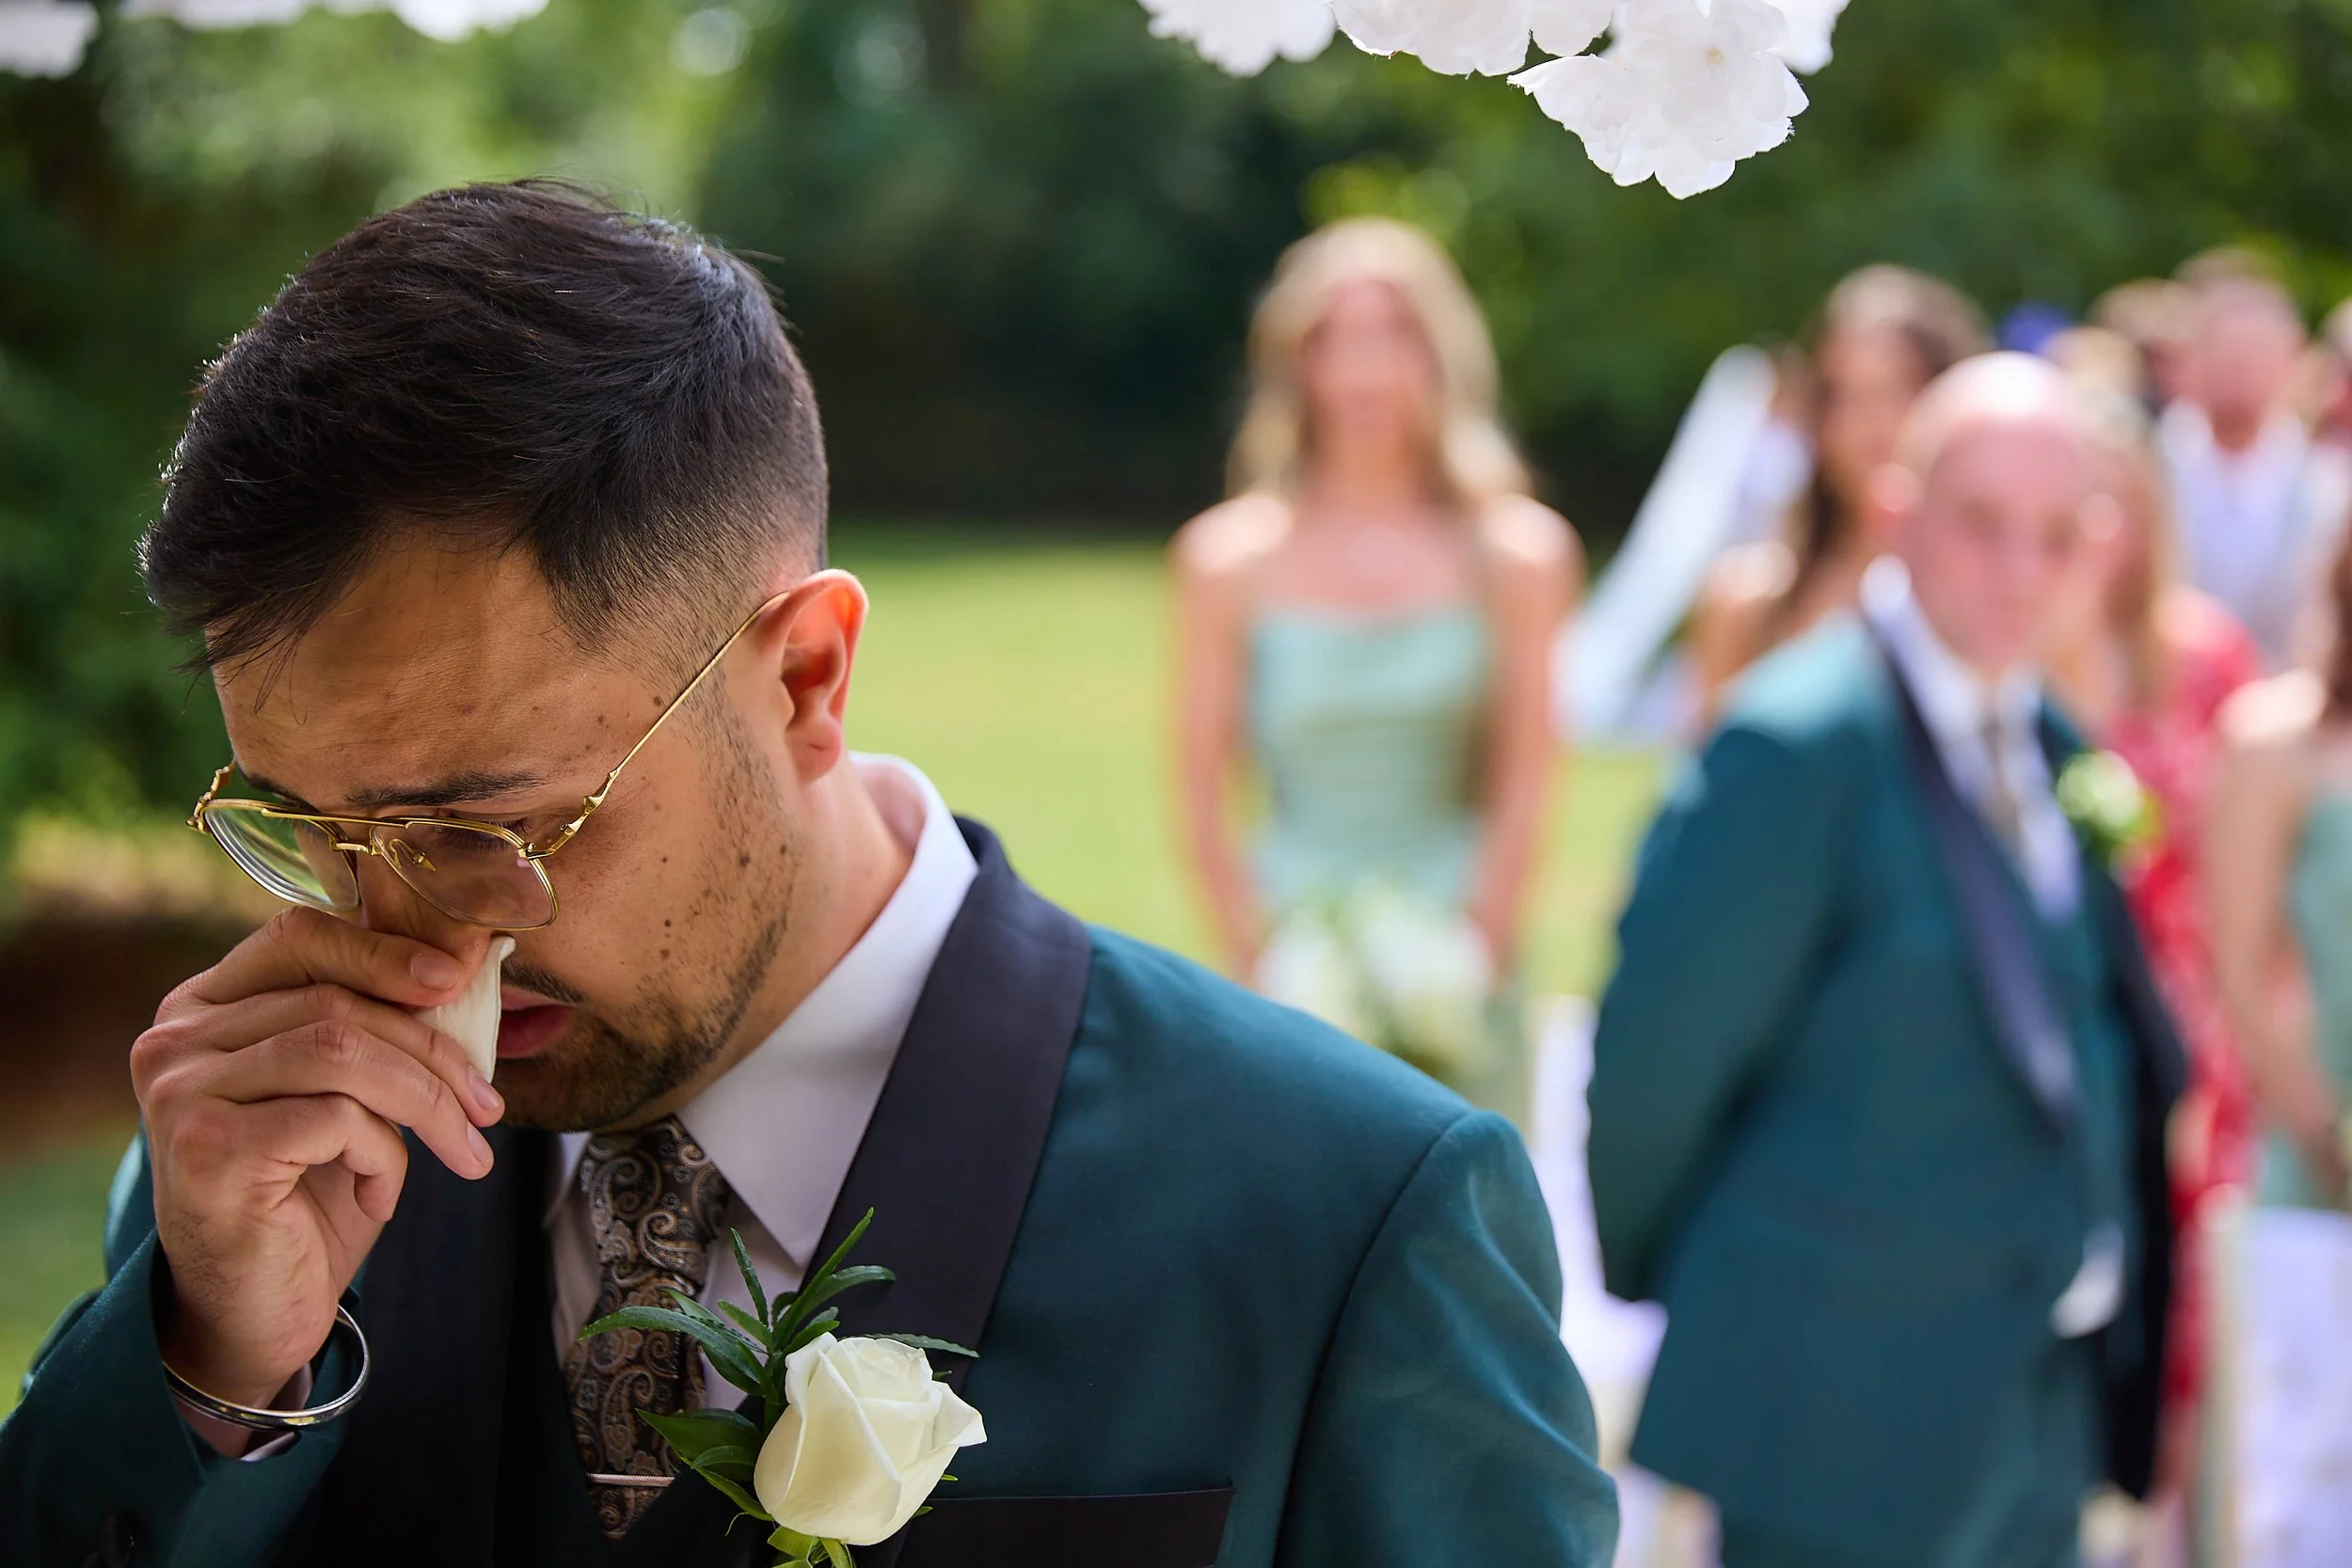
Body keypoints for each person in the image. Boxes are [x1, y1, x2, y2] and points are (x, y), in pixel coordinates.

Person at [0, 184, 1618, 1568]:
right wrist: (204, 1370)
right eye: (311, 832)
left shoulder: (1352, 1221)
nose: (413, 943)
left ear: (804, 678)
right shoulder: (246, 1181)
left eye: (489, 828)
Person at [1590, 354, 2186, 1568]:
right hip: (1836, 1413)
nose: (2023, 569)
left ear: (2105, 544)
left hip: (2037, 1407)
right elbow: (1656, 1067)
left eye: (2060, 533)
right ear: (1896, 509)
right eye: (1982, 523)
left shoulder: (2052, 734)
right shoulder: (1798, 741)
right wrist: (1724, 1289)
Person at [1171, 218, 1579, 1126]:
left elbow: (1528, 776)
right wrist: (1263, 961)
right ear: (1297, 366)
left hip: (1464, 947)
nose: (1366, 370)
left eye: (1394, 336)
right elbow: (1200, 794)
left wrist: (1477, 948)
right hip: (1291, 953)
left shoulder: (1518, 554)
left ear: (1441, 358)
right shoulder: (1225, 559)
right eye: (1336, 341)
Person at [2044, 388, 2263, 1534]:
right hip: (2035, 1028)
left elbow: (2240, 885)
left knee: (2175, 1335)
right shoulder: (2009, 659)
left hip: (2178, 1035)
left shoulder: (2204, 659)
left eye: (2111, 506)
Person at [2203, 541, 2352, 1566]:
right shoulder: (2278, 742)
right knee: (2310, 1490)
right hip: (2318, 1182)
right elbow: (2238, 961)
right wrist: (2322, 1125)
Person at [1688, 264, 1988, 726]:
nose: (1873, 425)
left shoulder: (2010, 596)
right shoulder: (1750, 599)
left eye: (1900, 391)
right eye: (1844, 396)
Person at [2159, 258, 2351, 669]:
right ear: (2194, 357)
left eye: (2256, 353)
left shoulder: (2331, 487)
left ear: (2291, 357)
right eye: (2226, 352)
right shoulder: (2150, 471)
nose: (2240, 370)